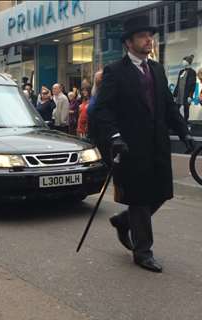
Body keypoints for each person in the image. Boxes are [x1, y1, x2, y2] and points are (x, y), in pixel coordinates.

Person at [90, 15, 195, 273]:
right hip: (131, 147)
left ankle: (123, 221)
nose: (149, 40)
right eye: (142, 36)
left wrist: (184, 133)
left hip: (157, 145)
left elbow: (169, 107)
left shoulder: (157, 69)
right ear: (128, 42)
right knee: (139, 198)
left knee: (160, 193)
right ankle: (142, 251)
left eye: (150, 36)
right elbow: (101, 111)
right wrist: (114, 137)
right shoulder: (115, 72)